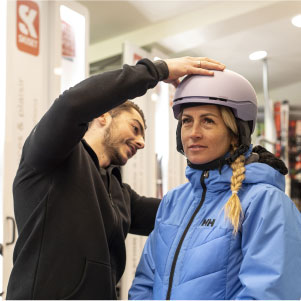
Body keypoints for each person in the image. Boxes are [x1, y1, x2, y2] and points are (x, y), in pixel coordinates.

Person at [6, 56, 227, 300]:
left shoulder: (120, 193)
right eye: (135, 128)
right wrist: (157, 70)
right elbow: (71, 105)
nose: (142, 142)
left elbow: (182, 210)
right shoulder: (53, 157)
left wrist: (237, 173)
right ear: (102, 116)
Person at [129, 70, 301, 300]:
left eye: (208, 121)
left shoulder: (264, 201)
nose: (193, 133)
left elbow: (269, 293)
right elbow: (145, 282)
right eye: (187, 121)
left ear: (235, 133)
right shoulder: (173, 201)